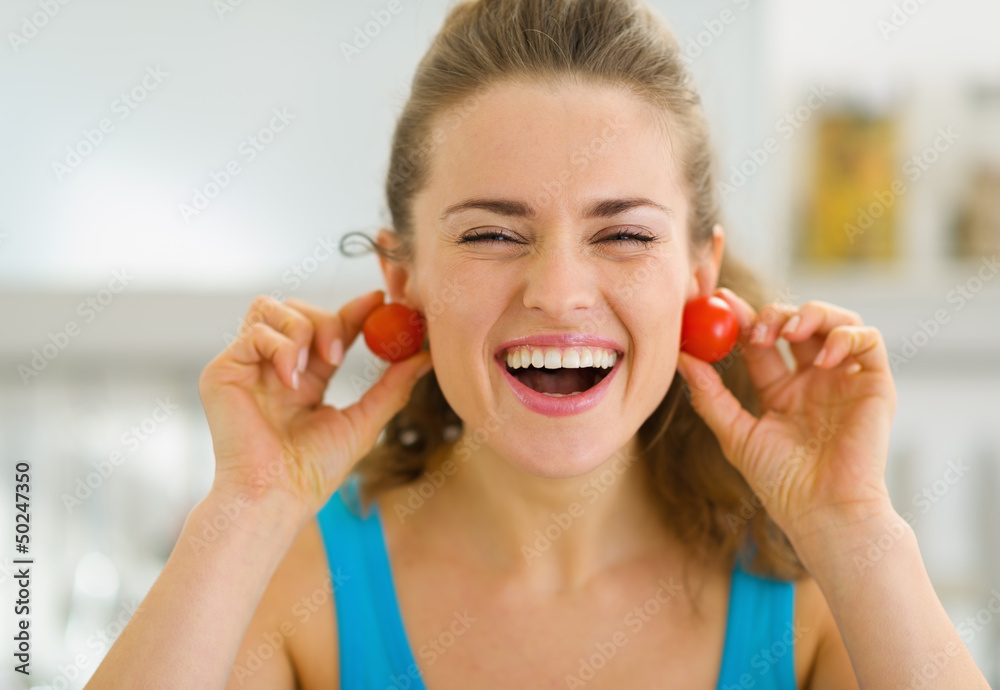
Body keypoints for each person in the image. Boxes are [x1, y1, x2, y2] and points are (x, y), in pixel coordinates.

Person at [84, 1, 991, 688]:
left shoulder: (816, 595)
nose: (558, 290)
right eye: (489, 234)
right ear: (405, 281)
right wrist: (244, 511)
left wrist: (856, 528)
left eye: (625, 235)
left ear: (698, 278)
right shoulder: (292, 588)